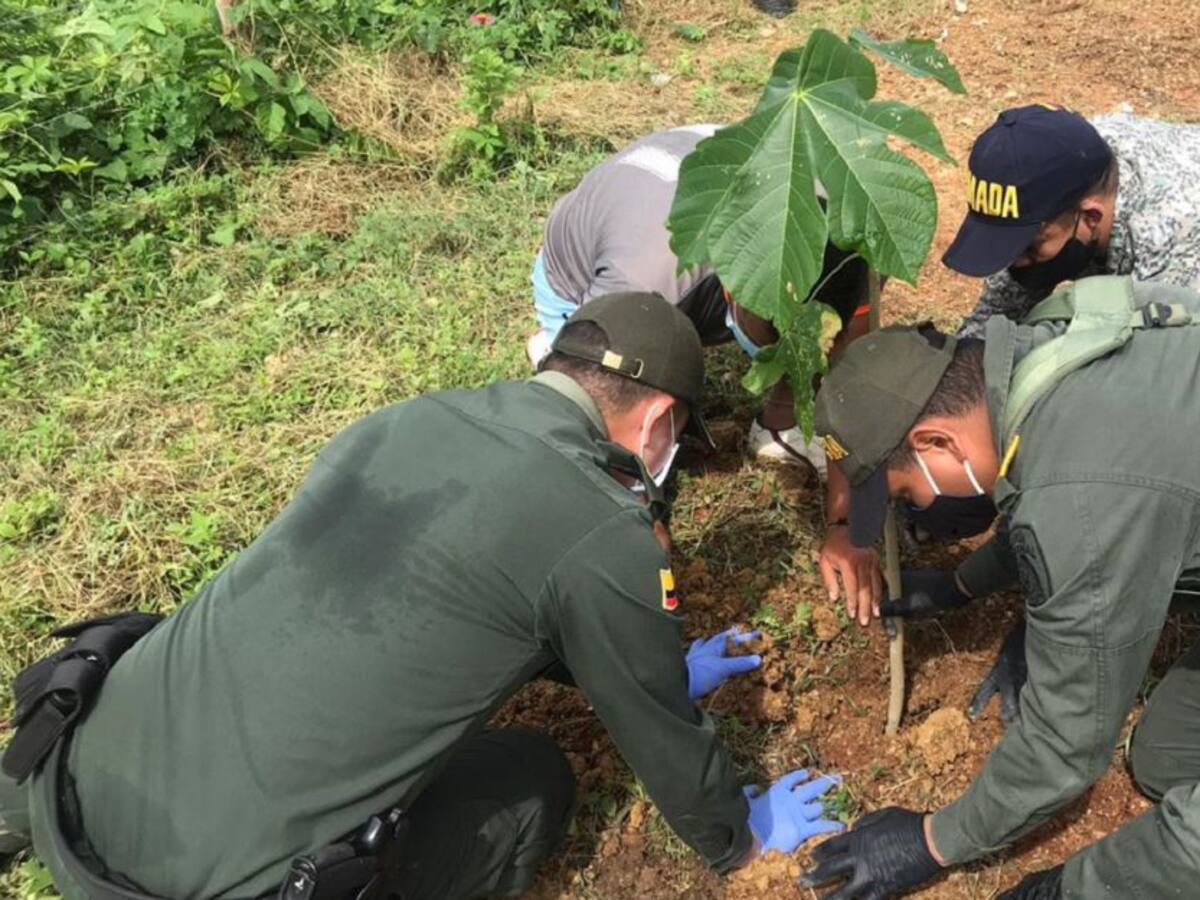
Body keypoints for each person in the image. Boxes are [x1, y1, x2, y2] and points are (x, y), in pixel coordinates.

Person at [0, 293, 841, 900]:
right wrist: (738, 836)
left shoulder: (401, 420)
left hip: (65, 769)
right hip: (194, 884)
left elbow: (470, 587)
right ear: (658, 422)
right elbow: (653, 728)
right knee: (532, 780)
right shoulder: (599, 526)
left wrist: (643, 659)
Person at [800, 275, 1200, 899]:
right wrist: (964, 583)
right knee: (1169, 758)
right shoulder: (1043, 346)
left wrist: (933, 840)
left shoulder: (1084, 503)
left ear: (934, 441)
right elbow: (1052, 481)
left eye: (906, 492)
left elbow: (1066, 746)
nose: (916, 509)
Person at [529, 123, 874, 471]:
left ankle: (782, 427)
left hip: (679, 196)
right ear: (733, 290)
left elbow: (854, 320)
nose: (791, 355)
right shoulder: (643, 282)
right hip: (576, 280)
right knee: (634, 421)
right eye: (776, 341)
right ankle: (556, 344)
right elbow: (600, 389)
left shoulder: (853, 229)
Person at [945, 104, 1200, 337]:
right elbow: (991, 326)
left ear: (1090, 217)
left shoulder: (1173, 237)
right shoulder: (1061, 162)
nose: (1015, 261)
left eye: (1028, 247)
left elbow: (1151, 362)